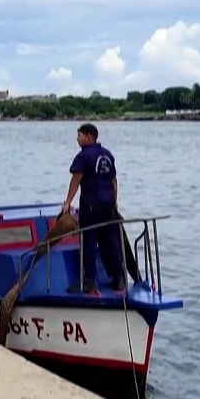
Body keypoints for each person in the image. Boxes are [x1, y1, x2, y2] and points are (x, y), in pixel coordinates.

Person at [58, 123, 141, 295]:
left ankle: (89, 282)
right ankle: (119, 279)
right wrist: (114, 202)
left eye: (79, 135)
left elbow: (76, 179)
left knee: (89, 241)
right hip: (108, 206)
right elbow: (114, 181)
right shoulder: (107, 155)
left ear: (89, 136)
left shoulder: (83, 156)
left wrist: (67, 202)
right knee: (112, 241)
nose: (77, 139)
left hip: (91, 206)